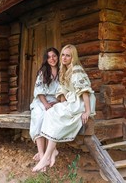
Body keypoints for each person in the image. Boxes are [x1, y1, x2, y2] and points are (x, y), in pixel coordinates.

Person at [32, 44, 96, 172]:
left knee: (56, 115)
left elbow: (84, 91)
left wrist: (88, 111)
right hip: (71, 100)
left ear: (73, 57)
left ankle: (46, 157)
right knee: (50, 113)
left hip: (80, 101)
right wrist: (61, 103)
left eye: (68, 55)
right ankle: (51, 153)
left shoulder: (76, 69)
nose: (64, 58)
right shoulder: (65, 70)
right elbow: (63, 91)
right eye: (63, 55)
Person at [29, 47, 60, 165]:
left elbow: (65, 91)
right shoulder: (43, 71)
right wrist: (46, 104)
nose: (52, 59)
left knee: (51, 116)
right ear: (46, 59)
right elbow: (39, 91)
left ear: (58, 56)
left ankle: (51, 151)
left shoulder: (63, 71)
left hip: (56, 101)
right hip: (41, 100)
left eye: (54, 56)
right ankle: (42, 154)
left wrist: (57, 102)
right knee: (38, 116)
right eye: (49, 57)